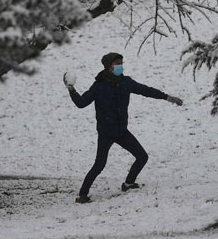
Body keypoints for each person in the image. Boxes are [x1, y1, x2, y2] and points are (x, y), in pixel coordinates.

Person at [64, 52, 183, 203]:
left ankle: (128, 183)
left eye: (121, 63)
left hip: (121, 131)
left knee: (142, 157)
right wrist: (71, 89)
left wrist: (166, 97)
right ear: (109, 67)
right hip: (106, 133)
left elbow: (145, 90)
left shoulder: (126, 82)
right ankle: (82, 195)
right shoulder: (99, 86)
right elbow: (81, 103)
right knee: (99, 165)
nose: (120, 66)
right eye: (117, 64)